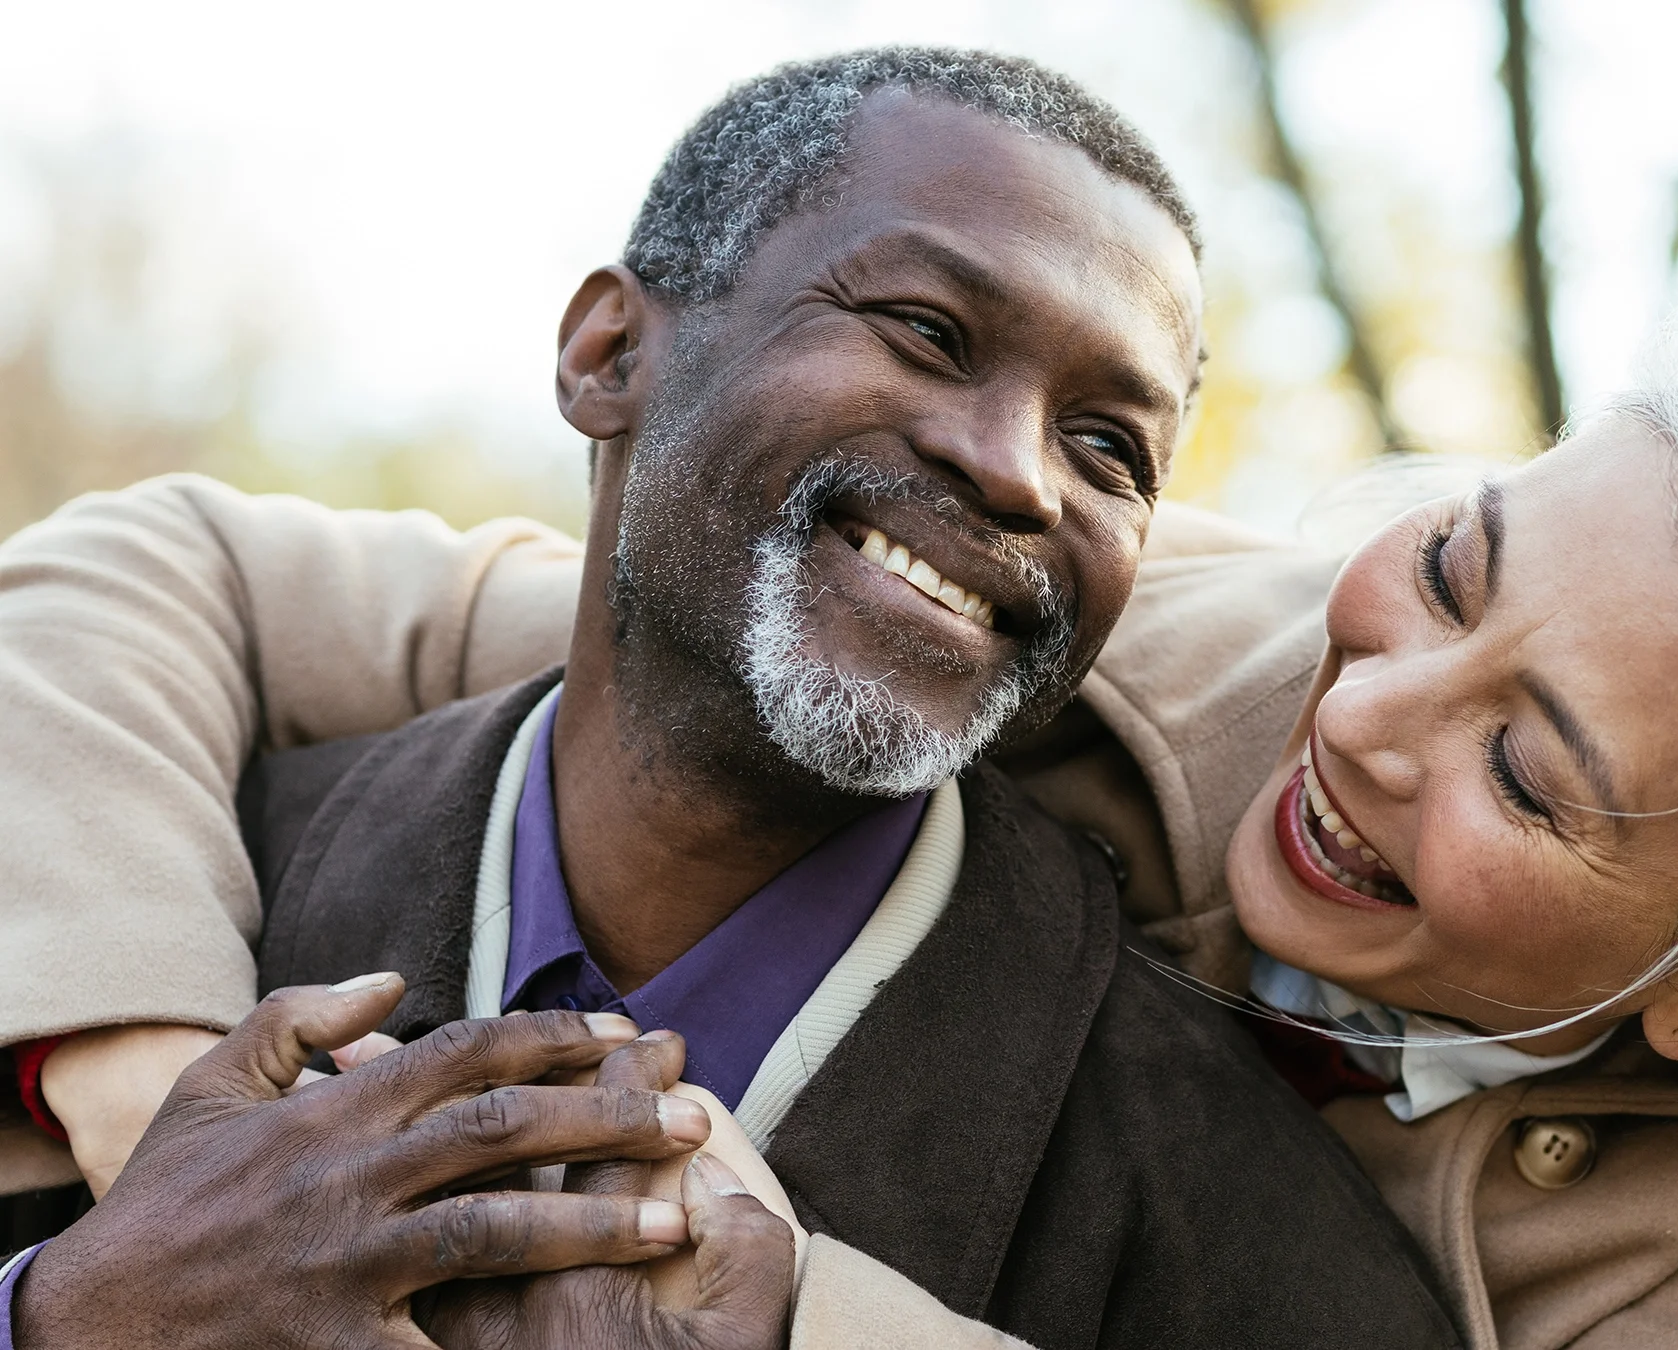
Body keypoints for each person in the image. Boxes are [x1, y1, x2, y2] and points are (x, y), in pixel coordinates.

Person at [0, 342, 1678, 1348]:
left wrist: (792, 1323)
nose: (1376, 711)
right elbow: (162, 570)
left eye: (1531, 773)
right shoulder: (1114, 631)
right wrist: (155, 1123)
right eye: (1455, 558)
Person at [0, 47, 1467, 1350]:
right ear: (608, 354)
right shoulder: (146, 914)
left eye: (1110, 446)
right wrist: (66, 1311)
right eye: (929, 329)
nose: (1023, 472)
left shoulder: (1253, 1238)